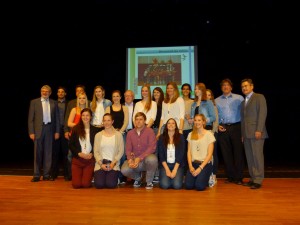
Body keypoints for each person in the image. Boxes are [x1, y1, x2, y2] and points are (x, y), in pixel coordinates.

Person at [215, 78, 245, 185]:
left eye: (227, 85)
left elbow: (244, 114)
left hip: (237, 126)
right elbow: (216, 116)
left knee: (238, 153)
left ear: (231, 87)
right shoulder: (216, 100)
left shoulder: (239, 98)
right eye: (223, 85)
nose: (225, 87)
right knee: (226, 153)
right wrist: (217, 125)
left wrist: (243, 131)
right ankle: (231, 176)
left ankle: (239, 177)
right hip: (223, 128)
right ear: (221, 87)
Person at [28, 85, 60, 182]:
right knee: (37, 153)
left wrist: (57, 131)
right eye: (43, 91)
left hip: (50, 129)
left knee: (48, 153)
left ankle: (46, 174)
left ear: (50, 93)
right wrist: (31, 132)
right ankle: (36, 175)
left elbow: (57, 119)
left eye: (46, 91)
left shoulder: (54, 103)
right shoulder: (34, 102)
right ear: (40, 92)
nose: (44, 93)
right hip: (38, 130)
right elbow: (30, 119)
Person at [241, 78, 268, 189]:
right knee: (250, 157)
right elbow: (243, 119)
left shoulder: (259, 97)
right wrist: (242, 134)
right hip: (246, 134)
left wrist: (259, 130)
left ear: (252, 86)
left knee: (257, 156)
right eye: (242, 86)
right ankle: (253, 178)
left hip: (257, 132)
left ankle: (258, 180)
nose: (244, 88)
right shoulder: (243, 102)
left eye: (246, 86)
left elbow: (262, 114)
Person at [121, 112, 157, 189]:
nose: (138, 121)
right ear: (134, 121)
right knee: (124, 170)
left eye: (141, 119)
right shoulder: (130, 133)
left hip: (146, 161)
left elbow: (152, 148)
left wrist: (139, 158)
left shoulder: (150, 131)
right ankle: (138, 179)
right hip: (134, 161)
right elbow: (128, 149)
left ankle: (149, 182)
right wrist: (130, 159)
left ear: (145, 121)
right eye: (136, 119)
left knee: (152, 159)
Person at [68, 108, 101, 189]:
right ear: (81, 116)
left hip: (89, 161)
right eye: (83, 115)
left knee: (86, 185)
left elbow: (98, 145)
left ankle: (88, 178)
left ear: (90, 117)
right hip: (77, 160)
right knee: (76, 185)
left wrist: (92, 153)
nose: (85, 117)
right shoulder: (75, 128)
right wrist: (79, 153)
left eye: (87, 115)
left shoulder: (95, 130)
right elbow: (71, 144)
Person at [185, 114, 215, 191]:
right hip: (194, 163)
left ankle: (208, 177)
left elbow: (209, 154)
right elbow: (189, 152)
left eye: (199, 120)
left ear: (203, 122)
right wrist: (190, 166)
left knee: (199, 187)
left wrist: (200, 168)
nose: (197, 122)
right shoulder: (190, 134)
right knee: (188, 186)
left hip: (205, 164)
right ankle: (197, 177)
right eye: (195, 120)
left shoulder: (209, 134)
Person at [93, 113, 124, 188]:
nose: (106, 123)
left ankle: (116, 178)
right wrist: (101, 164)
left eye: (108, 120)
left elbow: (121, 151)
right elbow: (96, 152)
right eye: (104, 121)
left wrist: (113, 163)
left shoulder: (118, 135)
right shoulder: (98, 135)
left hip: (113, 163)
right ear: (102, 122)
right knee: (99, 185)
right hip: (101, 163)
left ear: (112, 121)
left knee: (111, 185)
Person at [157, 118, 185, 189]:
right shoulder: (161, 137)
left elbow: (181, 155)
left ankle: (178, 177)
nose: (171, 125)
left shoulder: (181, 137)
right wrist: (167, 169)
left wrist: (175, 170)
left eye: (173, 123)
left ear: (176, 126)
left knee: (177, 186)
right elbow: (161, 155)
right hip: (165, 165)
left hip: (177, 165)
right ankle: (171, 178)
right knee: (165, 185)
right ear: (166, 126)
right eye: (169, 123)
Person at [51, 86, 71, 181]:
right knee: (54, 153)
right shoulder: (53, 103)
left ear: (65, 94)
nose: (60, 93)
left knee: (65, 153)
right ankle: (53, 174)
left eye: (62, 92)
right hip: (55, 131)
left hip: (65, 130)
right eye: (59, 92)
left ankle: (67, 174)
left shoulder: (69, 103)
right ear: (57, 93)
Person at [121, 89, 136, 184]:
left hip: (134, 132)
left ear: (133, 97)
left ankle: (134, 177)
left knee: (134, 153)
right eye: (126, 96)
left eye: (130, 95)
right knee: (123, 153)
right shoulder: (121, 107)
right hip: (124, 132)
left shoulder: (137, 106)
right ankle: (123, 176)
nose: (128, 97)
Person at [206, 88, 219, 187]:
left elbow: (216, 121)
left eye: (209, 95)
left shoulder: (213, 106)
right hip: (201, 134)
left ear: (212, 97)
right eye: (205, 95)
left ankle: (213, 175)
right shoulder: (201, 105)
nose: (207, 97)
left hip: (211, 133)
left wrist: (213, 133)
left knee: (212, 155)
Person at [152, 86, 164, 183]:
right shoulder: (151, 104)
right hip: (152, 130)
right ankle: (156, 174)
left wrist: (160, 131)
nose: (156, 94)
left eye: (158, 92)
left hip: (161, 130)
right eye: (154, 92)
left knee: (161, 152)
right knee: (154, 152)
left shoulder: (164, 104)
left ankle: (162, 173)